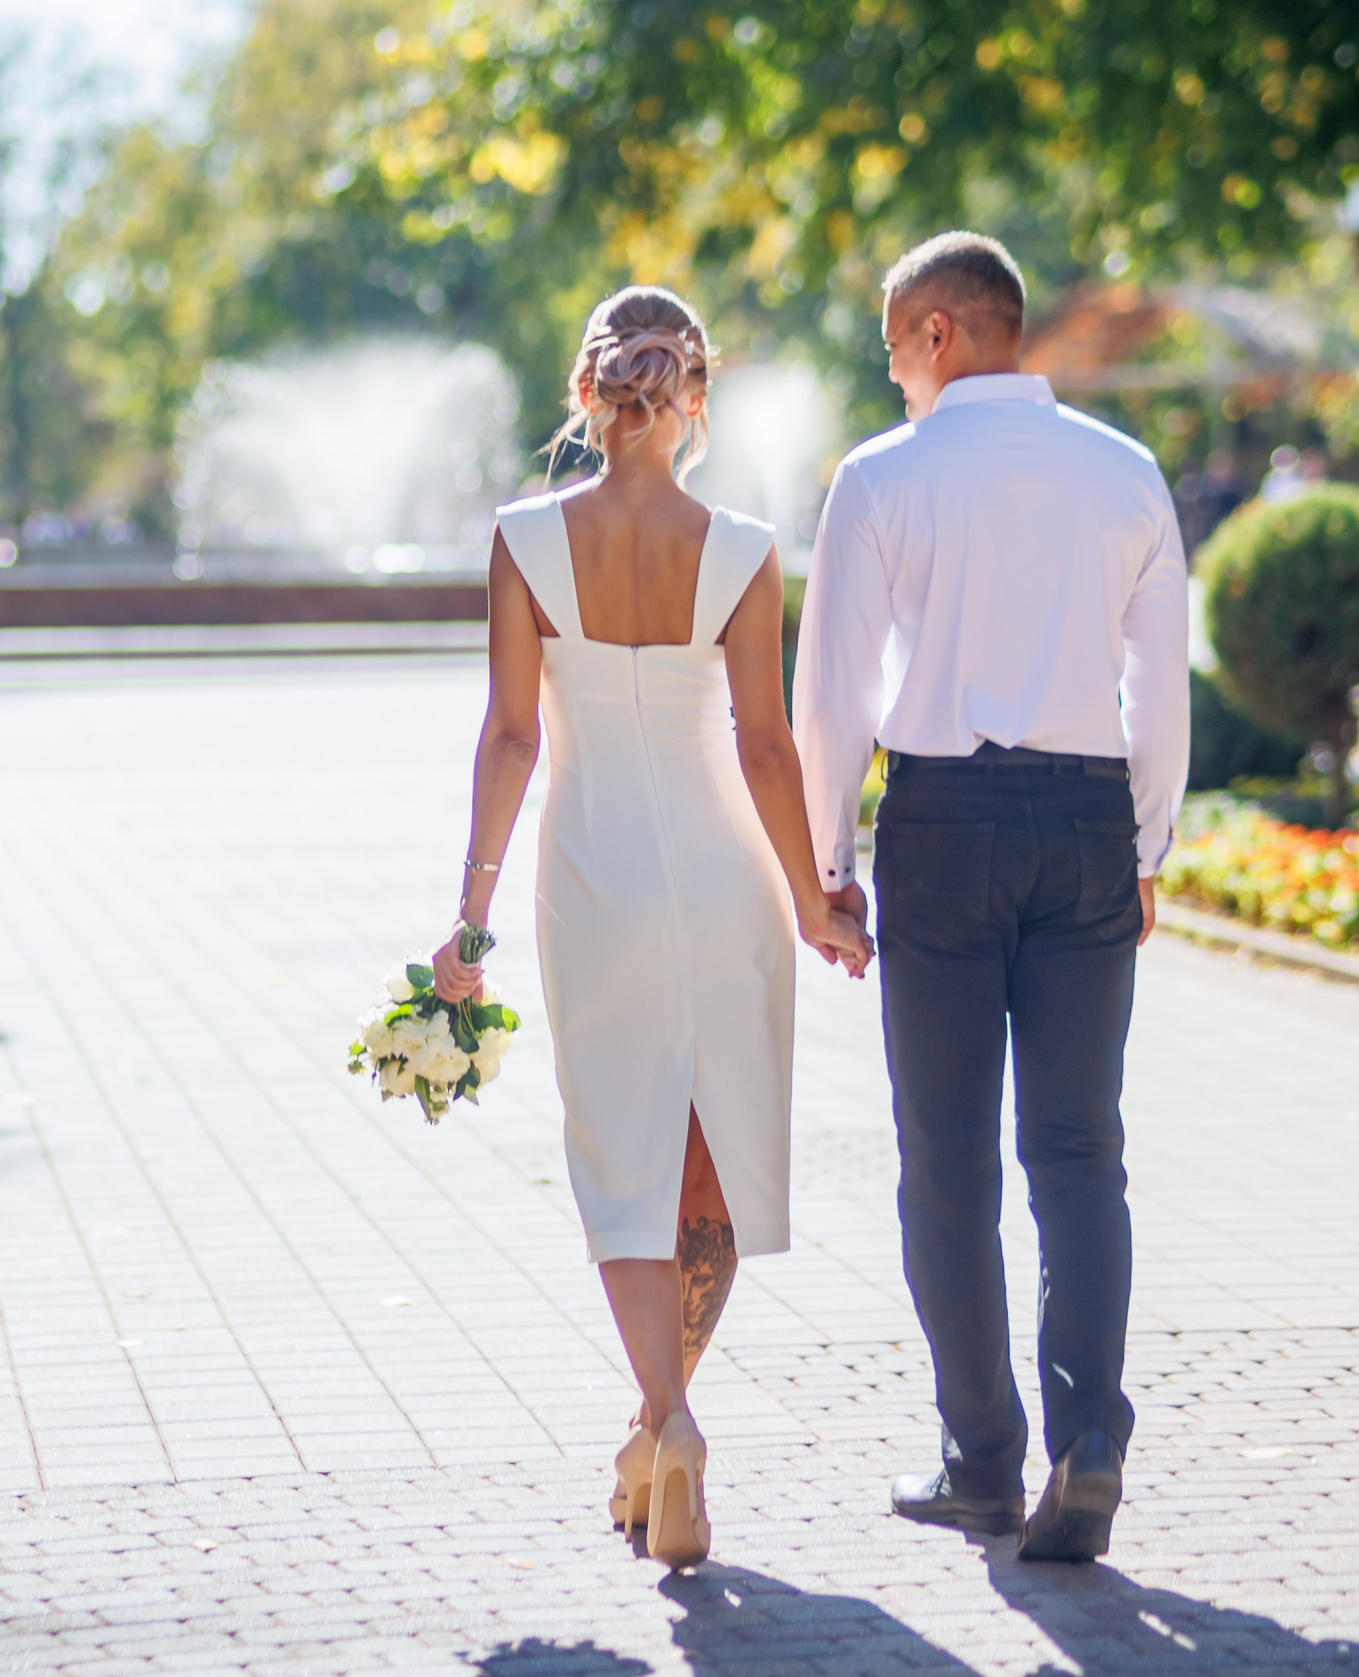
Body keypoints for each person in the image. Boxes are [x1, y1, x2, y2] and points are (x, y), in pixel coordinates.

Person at [431, 285, 873, 1569]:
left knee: (621, 1162)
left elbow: (511, 734)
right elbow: (765, 746)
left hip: (592, 875)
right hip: (722, 868)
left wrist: (469, 914)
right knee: (710, 1159)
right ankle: (661, 1423)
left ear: (586, 397)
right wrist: (808, 900)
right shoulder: (739, 546)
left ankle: (664, 1423)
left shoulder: (522, 538)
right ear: (692, 402)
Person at [790, 232, 1190, 1563]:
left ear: (943, 332)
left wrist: (828, 864)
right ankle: (1090, 1439)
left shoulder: (882, 476)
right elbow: (1160, 685)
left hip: (947, 823)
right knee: (1081, 1146)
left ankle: (981, 1453)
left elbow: (836, 687)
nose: (892, 369)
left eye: (894, 343)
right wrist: (1145, 845)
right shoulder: (1125, 472)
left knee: (947, 1153)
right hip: (1086, 816)